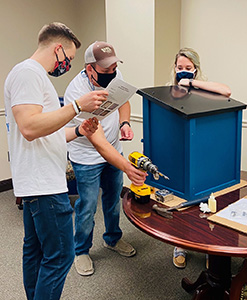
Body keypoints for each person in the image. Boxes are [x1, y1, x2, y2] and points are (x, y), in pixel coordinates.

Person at [4, 23, 108, 300]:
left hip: (35, 181)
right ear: (58, 48)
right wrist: (76, 106)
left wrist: (78, 130)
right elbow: (29, 127)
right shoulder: (28, 73)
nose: (67, 65)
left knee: (36, 250)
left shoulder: (33, 76)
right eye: (70, 59)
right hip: (44, 184)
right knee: (61, 255)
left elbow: (44, 131)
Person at [64, 41, 147, 276]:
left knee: (112, 201)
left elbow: (124, 100)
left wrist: (125, 123)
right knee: (88, 206)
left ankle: (112, 239)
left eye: (113, 69)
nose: (111, 74)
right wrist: (128, 168)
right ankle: (80, 250)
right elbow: (96, 141)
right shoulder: (77, 92)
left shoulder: (114, 74)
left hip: (113, 147)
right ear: (90, 69)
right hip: (87, 156)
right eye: (105, 70)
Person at [168, 47, 231, 269]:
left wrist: (192, 84)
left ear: (195, 69)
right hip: (179, 153)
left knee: (206, 201)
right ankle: (180, 245)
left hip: (204, 154)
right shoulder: (168, 91)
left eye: (188, 68)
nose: (183, 71)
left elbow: (226, 91)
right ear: (174, 68)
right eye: (179, 67)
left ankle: (206, 247)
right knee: (182, 201)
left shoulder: (203, 87)